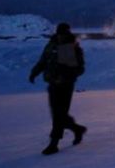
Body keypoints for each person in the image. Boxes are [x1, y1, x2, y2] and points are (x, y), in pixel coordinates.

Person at [29, 22, 87, 155]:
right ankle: (77, 129)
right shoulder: (51, 45)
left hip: (65, 86)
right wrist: (34, 72)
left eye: (64, 34)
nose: (61, 37)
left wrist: (67, 76)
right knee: (58, 114)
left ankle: (54, 143)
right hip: (52, 84)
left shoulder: (71, 48)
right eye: (60, 34)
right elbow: (43, 61)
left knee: (59, 115)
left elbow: (80, 68)